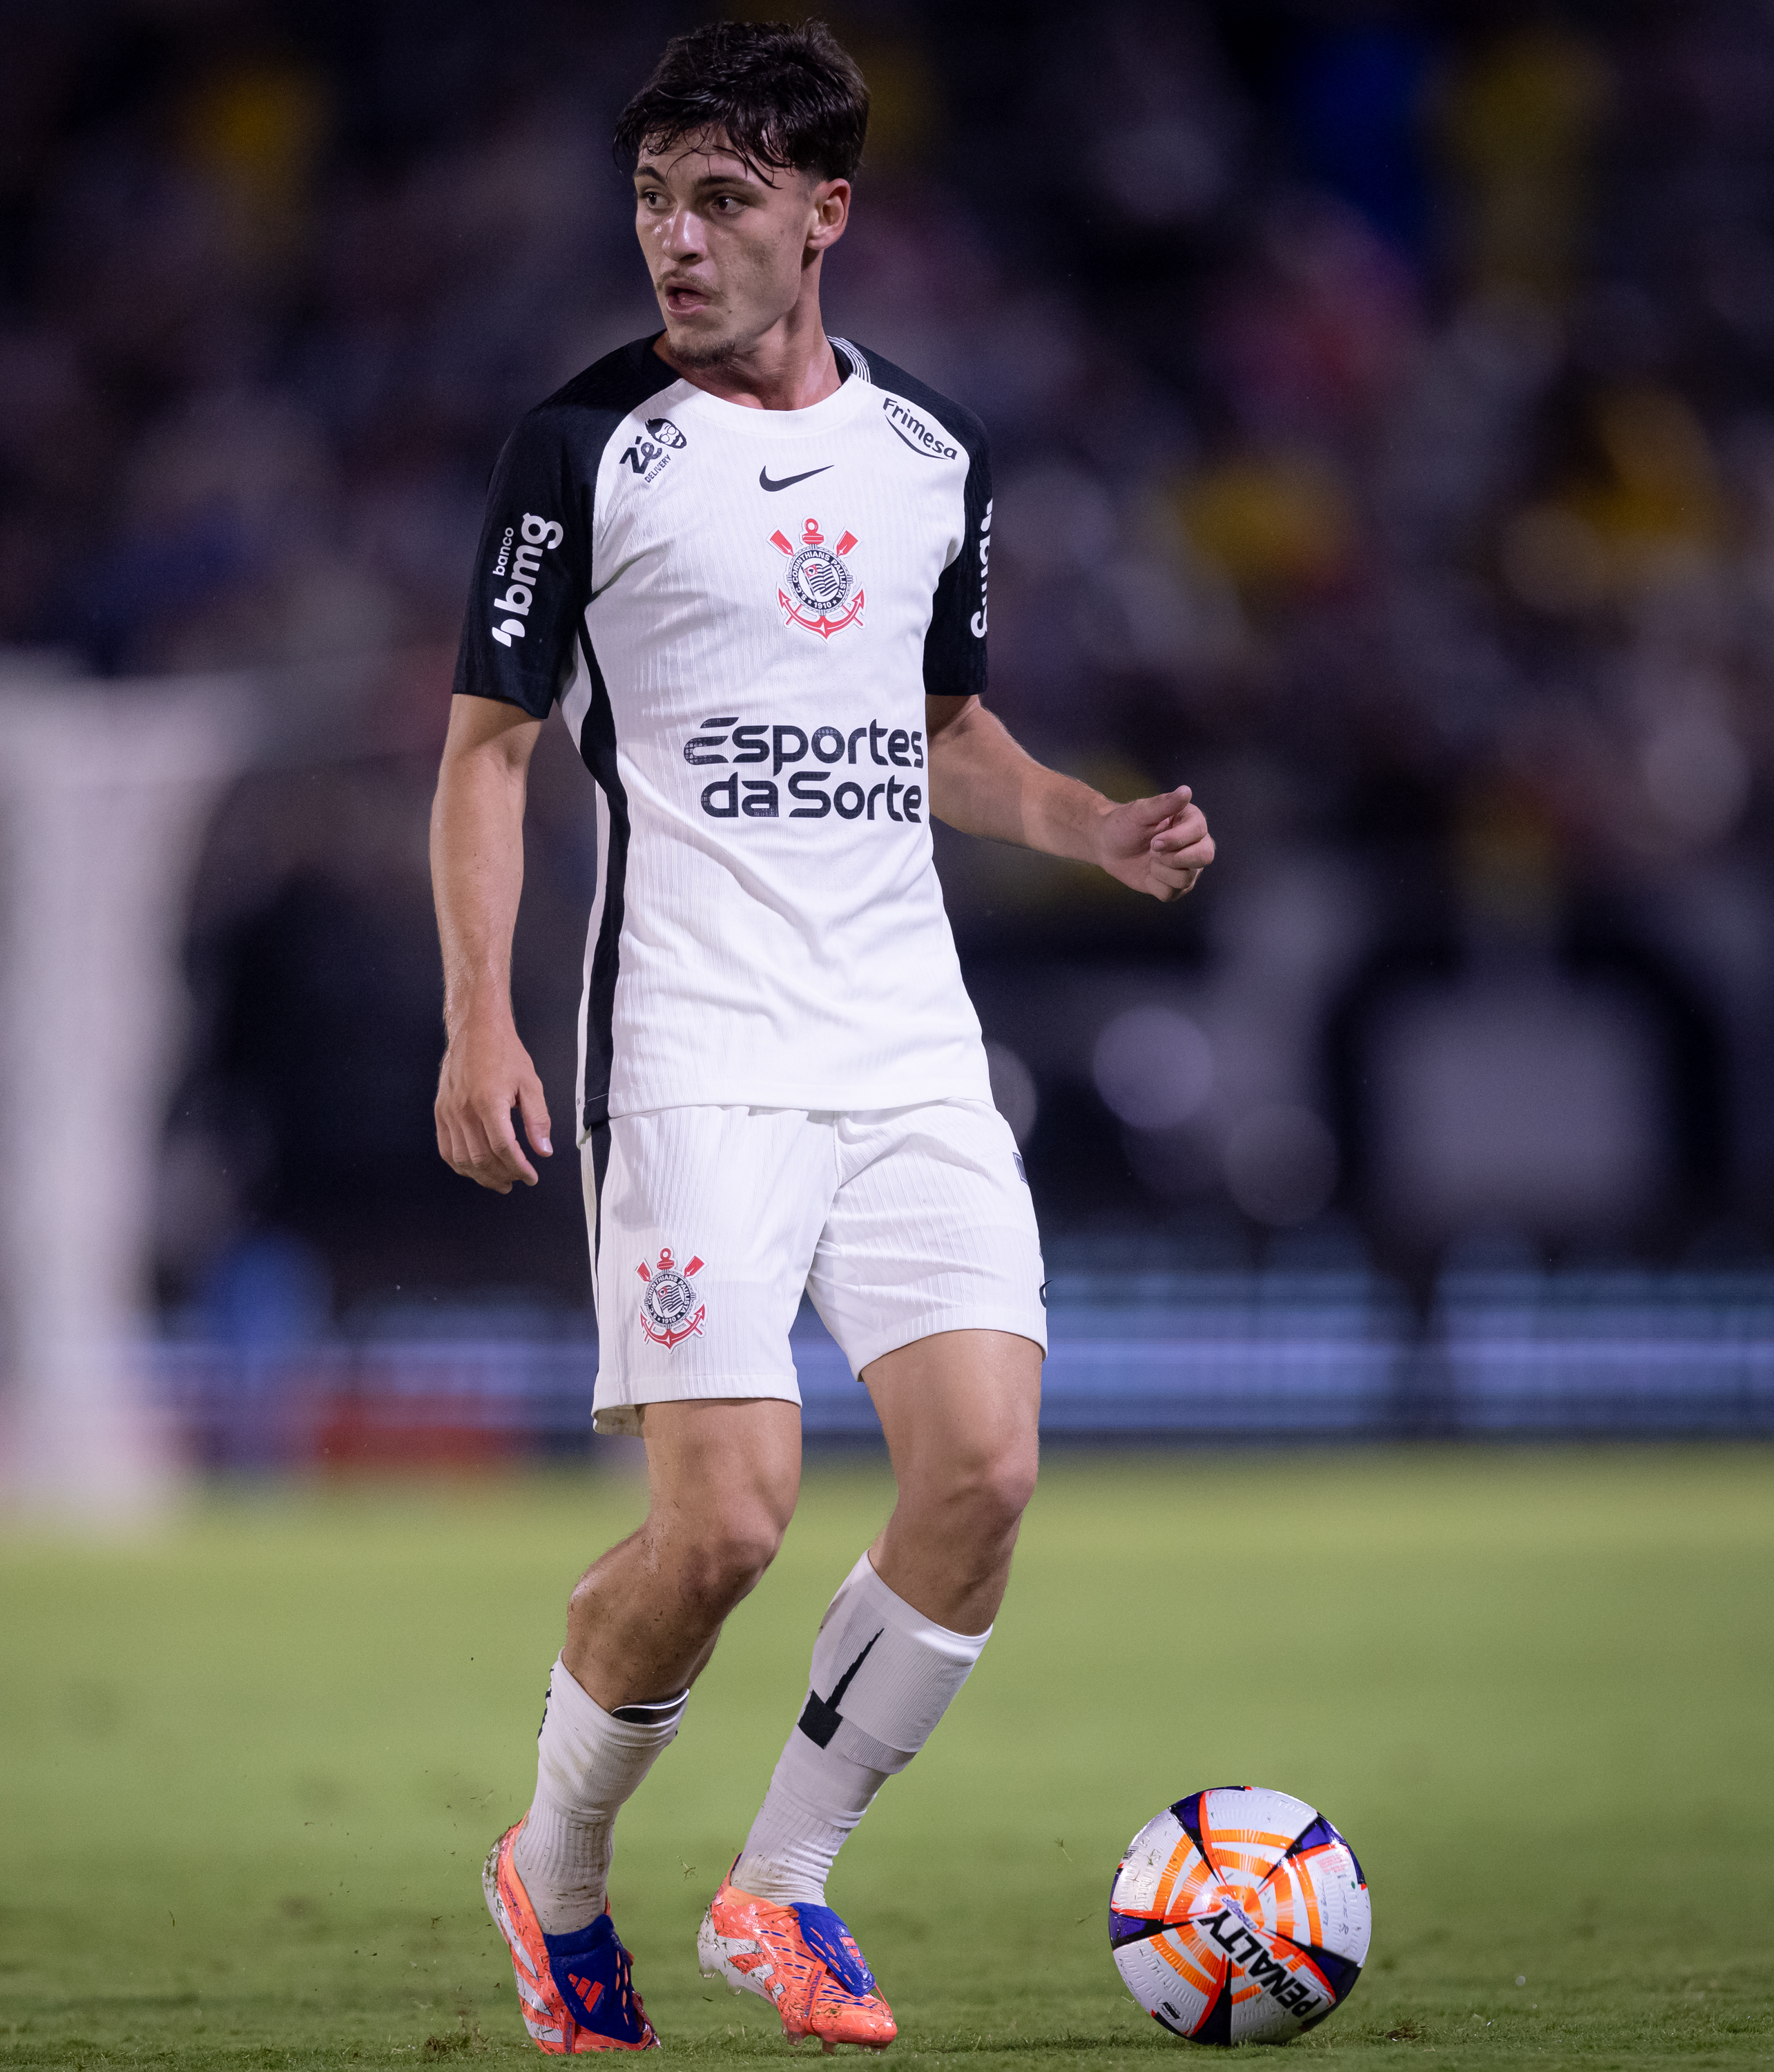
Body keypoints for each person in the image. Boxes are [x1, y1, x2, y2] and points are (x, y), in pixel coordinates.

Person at [430, 19, 1213, 2057]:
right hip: (691, 1043)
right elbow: (486, 760)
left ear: (824, 213)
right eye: (652, 202)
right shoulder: (580, 450)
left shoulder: (933, 457)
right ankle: (557, 1870)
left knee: (986, 1470)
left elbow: (944, 735)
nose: (674, 244)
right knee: (731, 1525)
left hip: (906, 1041)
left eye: (721, 202)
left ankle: (777, 1889)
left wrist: (1093, 824)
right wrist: (474, 1019)